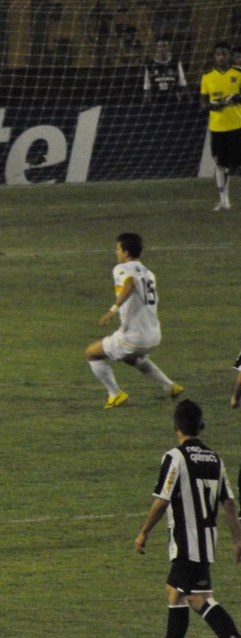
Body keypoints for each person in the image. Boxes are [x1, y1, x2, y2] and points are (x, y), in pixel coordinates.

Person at [134, 400, 241, 638]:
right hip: (205, 543)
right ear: (201, 426)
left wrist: (144, 532)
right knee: (175, 592)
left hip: (186, 544)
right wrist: (237, 540)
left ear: (176, 426)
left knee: (198, 598)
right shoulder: (215, 458)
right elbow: (230, 503)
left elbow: (162, 501)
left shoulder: (176, 457)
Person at [85, 232, 183, 409]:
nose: (116, 252)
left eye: (118, 249)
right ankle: (169, 385)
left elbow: (130, 284)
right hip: (153, 335)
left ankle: (115, 394)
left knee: (92, 353)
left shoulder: (121, 269)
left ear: (126, 252)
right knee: (132, 358)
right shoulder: (149, 273)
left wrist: (112, 310)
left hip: (134, 337)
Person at [199, 42, 241, 212]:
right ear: (214, 56)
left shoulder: (238, 73)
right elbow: (202, 104)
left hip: (237, 125)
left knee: (237, 163)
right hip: (218, 128)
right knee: (221, 164)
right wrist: (212, 105)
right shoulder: (207, 76)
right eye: (218, 54)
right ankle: (224, 201)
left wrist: (237, 98)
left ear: (229, 55)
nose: (221, 57)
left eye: (224, 54)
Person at [143, 36, 189, 103]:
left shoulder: (175, 63)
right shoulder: (149, 65)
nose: (162, 49)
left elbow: (182, 82)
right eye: (160, 47)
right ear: (156, 48)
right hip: (156, 101)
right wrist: (145, 100)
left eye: (164, 46)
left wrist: (188, 97)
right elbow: (147, 84)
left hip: (173, 100)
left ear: (169, 47)